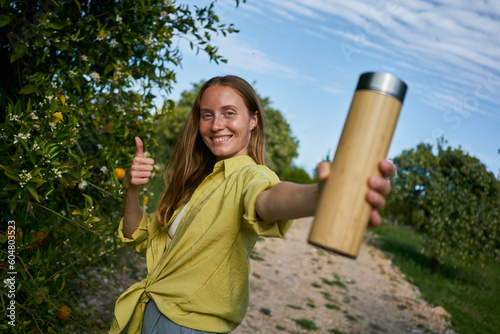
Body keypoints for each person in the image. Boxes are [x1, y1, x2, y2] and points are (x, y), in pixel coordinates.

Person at [109, 75, 395, 334]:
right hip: (152, 310)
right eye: (207, 115)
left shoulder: (250, 176)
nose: (216, 124)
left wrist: (323, 196)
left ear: (253, 120)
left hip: (187, 325)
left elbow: (268, 199)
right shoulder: (196, 180)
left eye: (229, 113)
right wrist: (132, 189)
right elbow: (138, 237)